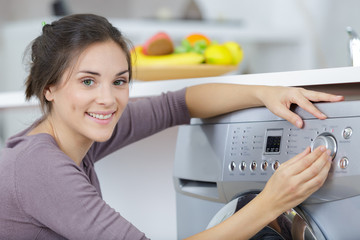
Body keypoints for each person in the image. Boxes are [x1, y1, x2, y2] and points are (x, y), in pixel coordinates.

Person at [0, 14, 343, 240]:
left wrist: (265, 93)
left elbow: (178, 103)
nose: (107, 99)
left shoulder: (76, 132)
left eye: (119, 81)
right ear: (49, 87)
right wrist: (270, 202)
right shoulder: (41, 166)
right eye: (88, 81)